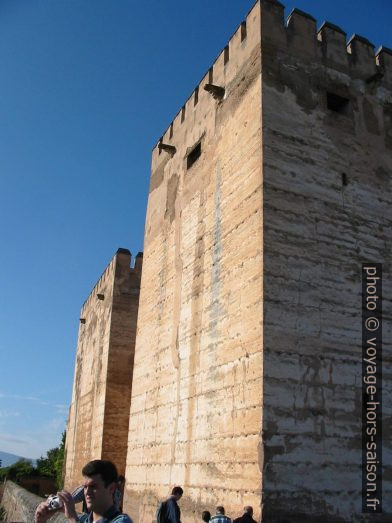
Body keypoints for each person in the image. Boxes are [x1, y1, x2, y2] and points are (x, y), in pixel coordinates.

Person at [34, 459, 133, 523]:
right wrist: (40, 521)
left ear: (111, 488)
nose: (87, 492)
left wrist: (73, 518)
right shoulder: (84, 520)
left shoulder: (122, 521)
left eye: (93, 487)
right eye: (85, 487)